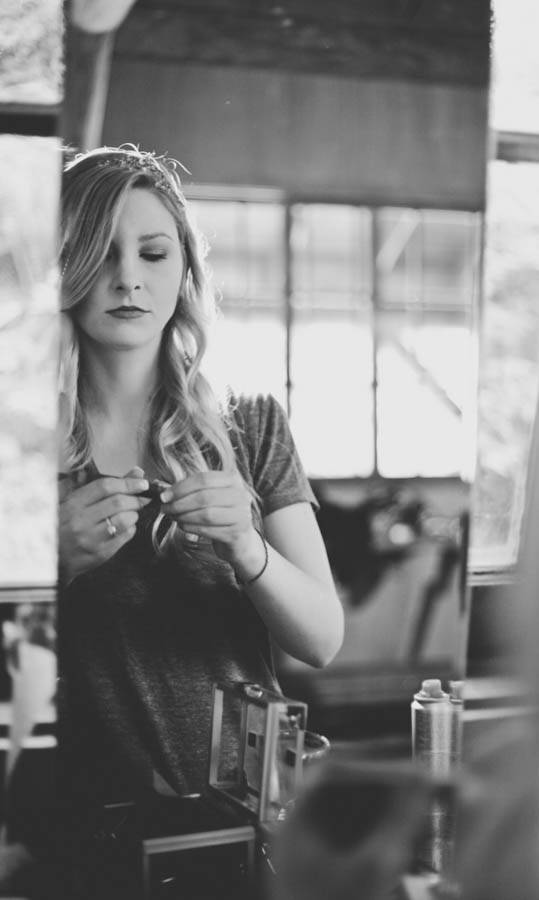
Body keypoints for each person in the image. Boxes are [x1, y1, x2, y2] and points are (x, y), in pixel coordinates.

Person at [54, 144, 343, 892]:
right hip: (87, 833)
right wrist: (54, 567)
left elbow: (322, 639)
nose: (127, 277)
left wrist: (249, 547)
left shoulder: (251, 424)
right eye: (98, 253)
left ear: (185, 270)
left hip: (262, 820)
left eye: (153, 252)